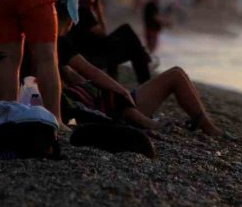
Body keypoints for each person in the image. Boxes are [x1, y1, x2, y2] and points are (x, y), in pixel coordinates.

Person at [57, 23, 222, 137]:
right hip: (109, 108)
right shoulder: (60, 42)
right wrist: (120, 90)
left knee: (177, 73)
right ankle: (209, 128)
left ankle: (207, 124)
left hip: (108, 104)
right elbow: (89, 72)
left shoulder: (53, 46)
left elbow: (77, 76)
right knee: (175, 75)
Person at [67, 0, 152, 83]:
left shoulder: (74, 14)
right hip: (96, 55)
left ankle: (141, 58)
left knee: (133, 47)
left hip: (92, 53)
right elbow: (102, 34)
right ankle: (145, 79)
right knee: (127, 31)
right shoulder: (84, 12)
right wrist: (99, 12)